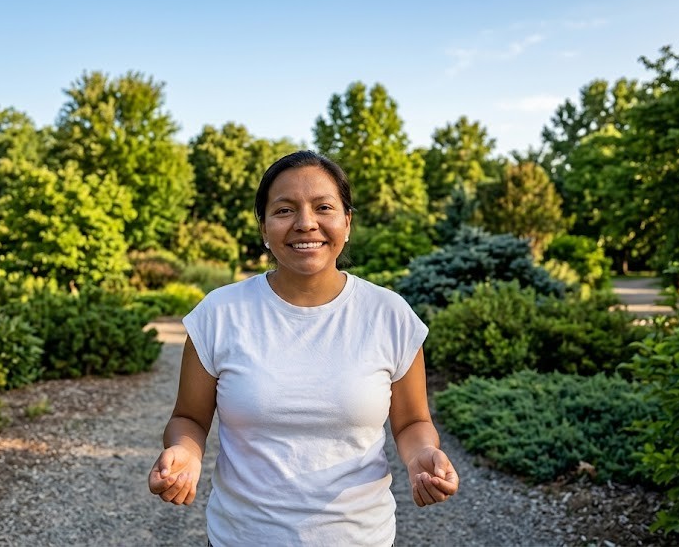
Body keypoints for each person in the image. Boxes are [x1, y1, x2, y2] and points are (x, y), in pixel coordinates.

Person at [148, 150, 459, 546]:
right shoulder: (219, 313)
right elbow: (189, 418)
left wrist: (422, 457)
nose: (305, 223)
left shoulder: (389, 314)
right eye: (284, 210)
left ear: (347, 222)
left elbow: (412, 422)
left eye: (323, 207)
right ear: (263, 226)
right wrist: (185, 453)